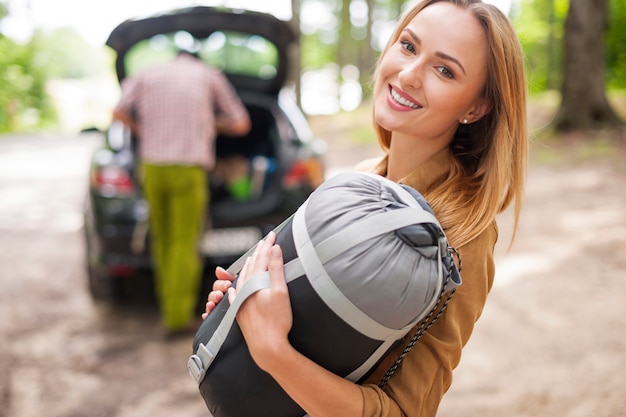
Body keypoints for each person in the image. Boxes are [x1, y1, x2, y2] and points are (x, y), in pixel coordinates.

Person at [203, 0, 528, 415]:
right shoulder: (361, 177)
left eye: (444, 70)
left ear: (475, 107)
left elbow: (406, 411)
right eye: (408, 46)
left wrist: (273, 352)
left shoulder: (463, 235)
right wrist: (246, 298)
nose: (408, 75)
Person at [113, 49, 251, 334]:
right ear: (196, 57)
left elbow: (118, 112)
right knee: (184, 242)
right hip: (188, 169)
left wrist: (142, 129)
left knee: (162, 239)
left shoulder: (147, 74)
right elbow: (241, 123)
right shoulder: (208, 75)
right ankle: (177, 318)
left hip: (152, 168)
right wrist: (211, 122)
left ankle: (167, 307)